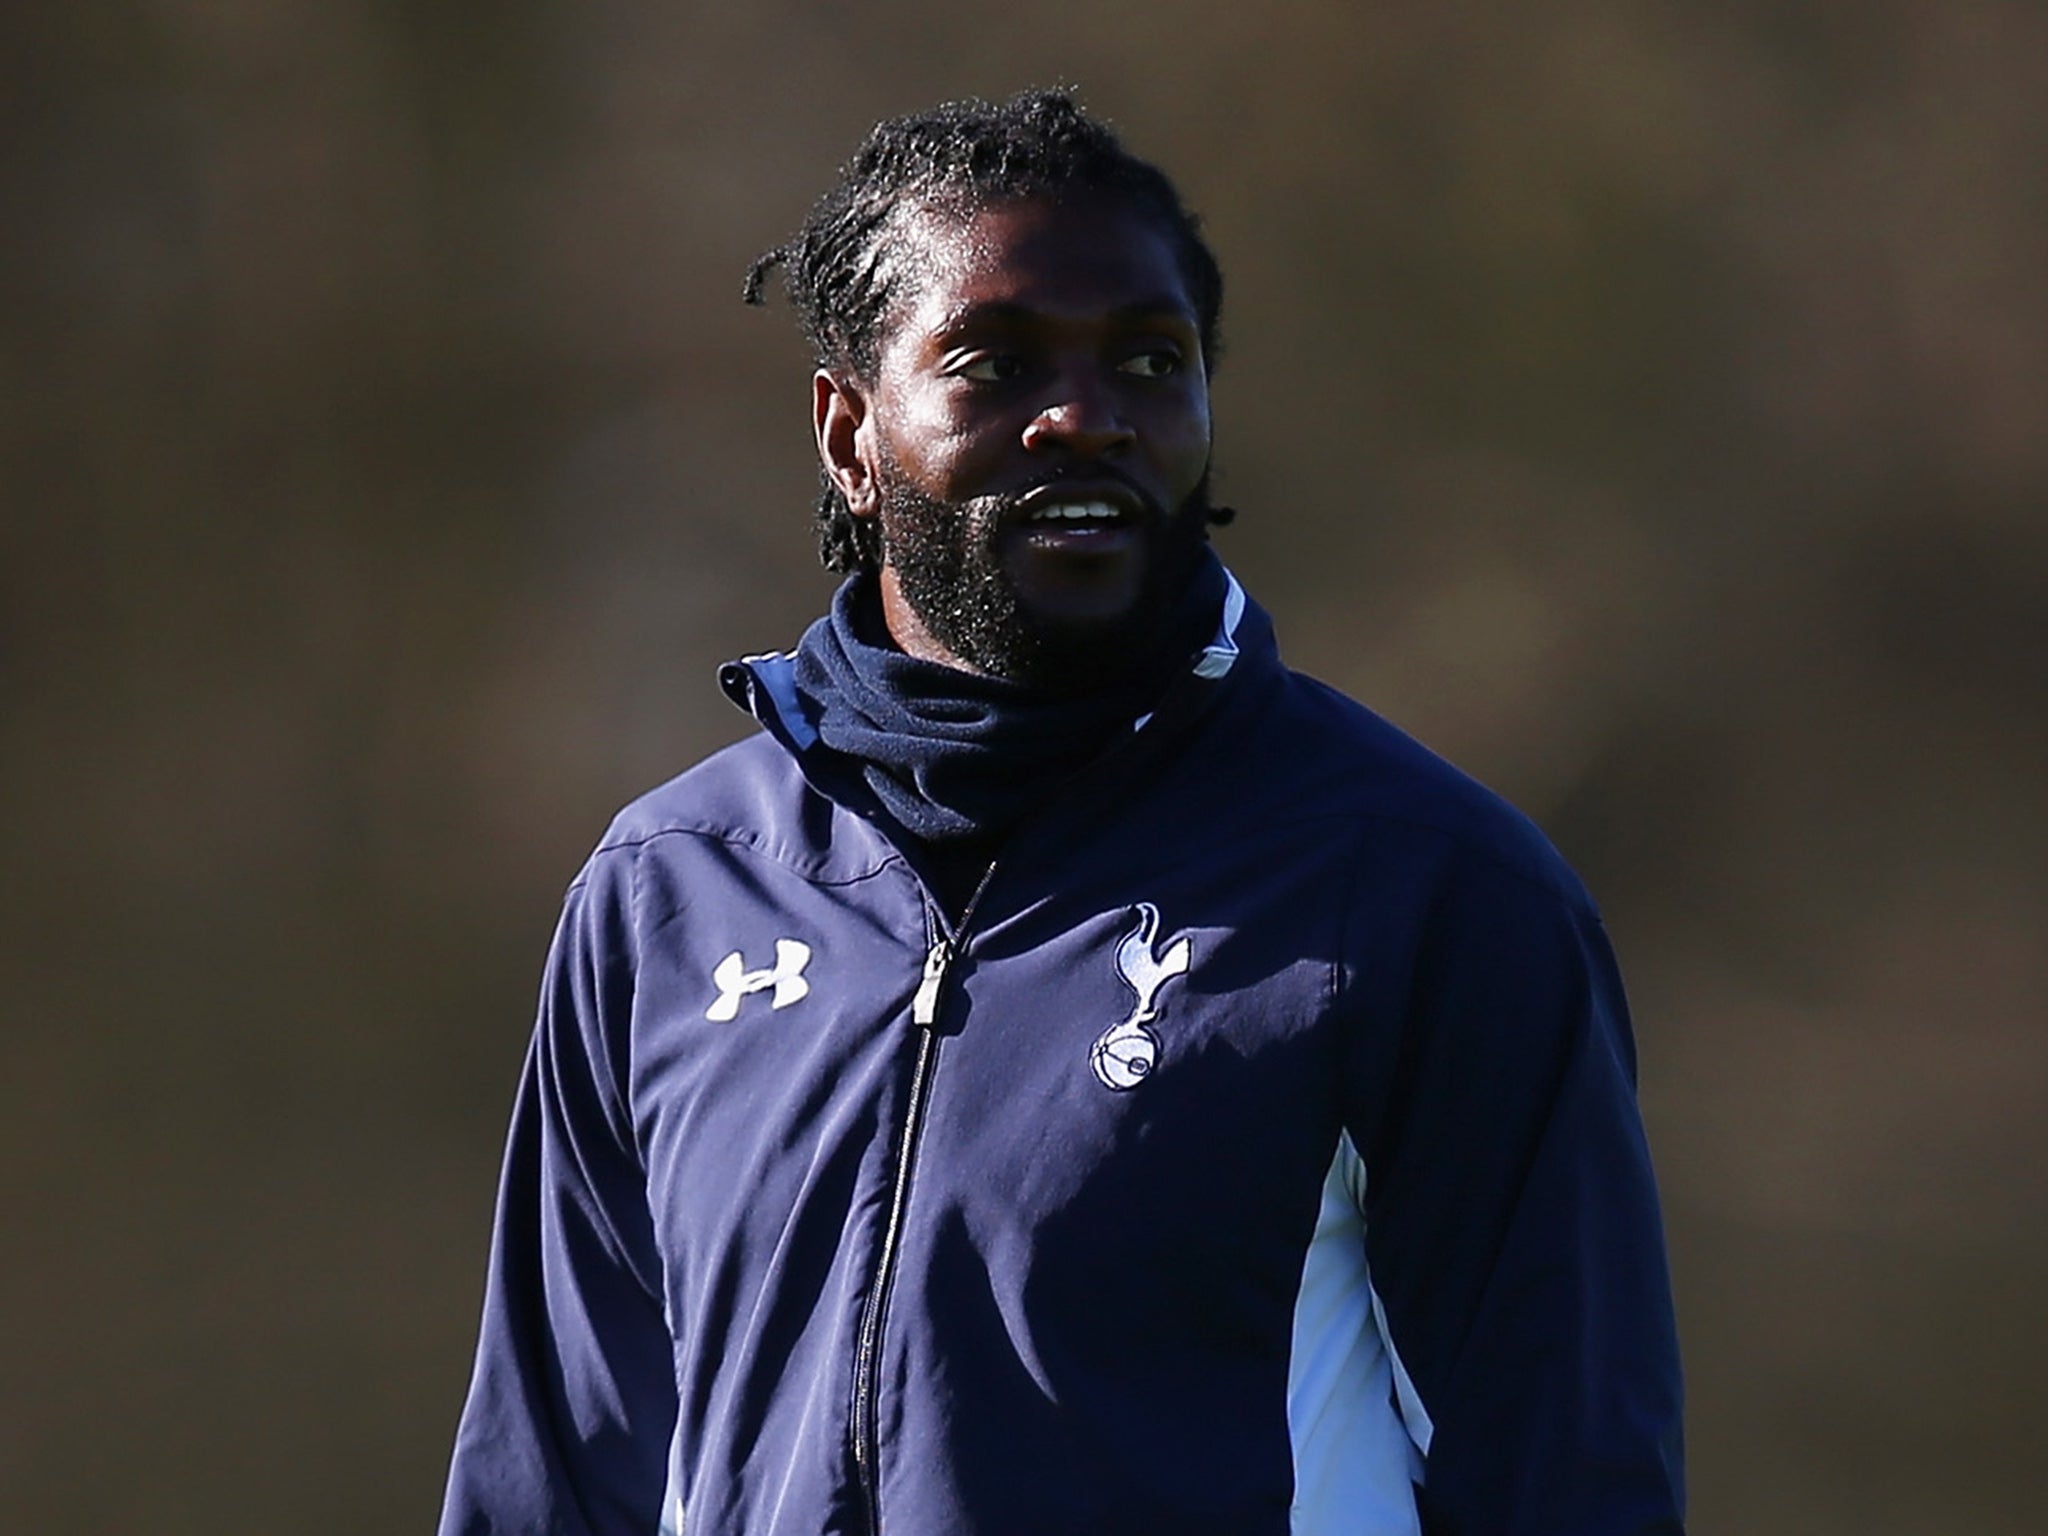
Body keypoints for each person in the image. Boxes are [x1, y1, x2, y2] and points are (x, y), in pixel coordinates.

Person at [438, 90, 1685, 1536]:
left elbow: (1570, 1479)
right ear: (849, 433)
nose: (1086, 418)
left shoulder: (1424, 891)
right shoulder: (671, 890)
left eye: (1150, 363)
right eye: (998, 361)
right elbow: (553, 1469)